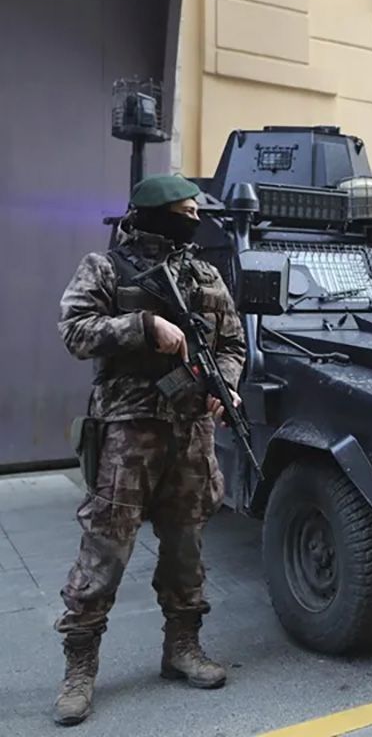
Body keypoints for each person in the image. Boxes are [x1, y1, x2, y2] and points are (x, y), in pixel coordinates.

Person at [52, 174, 246, 726]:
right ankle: (80, 669)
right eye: (183, 209)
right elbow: (75, 330)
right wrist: (143, 326)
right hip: (128, 433)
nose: (192, 217)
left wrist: (225, 384)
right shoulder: (105, 267)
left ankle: (182, 648)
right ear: (152, 212)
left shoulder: (204, 273)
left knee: (186, 546)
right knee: (105, 549)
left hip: (190, 433)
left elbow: (231, 343)